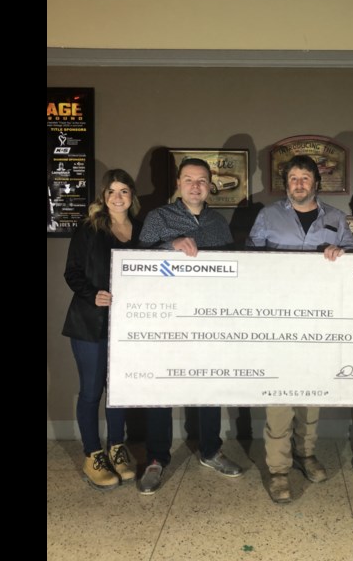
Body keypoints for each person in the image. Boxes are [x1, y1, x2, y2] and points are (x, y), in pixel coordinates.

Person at [247, 154, 353, 503]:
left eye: (305, 178)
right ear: (286, 183)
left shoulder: (337, 218)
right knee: (280, 397)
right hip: (278, 319)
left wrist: (341, 253)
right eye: (293, 178)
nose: (299, 184)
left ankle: (305, 453)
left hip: (320, 319)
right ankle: (279, 470)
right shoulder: (268, 215)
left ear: (315, 183)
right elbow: (249, 259)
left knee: (312, 393)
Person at [137, 158, 243, 494]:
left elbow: (232, 270)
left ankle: (210, 450)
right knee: (161, 389)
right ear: (179, 184)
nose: (195, 186)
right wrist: (170, 246)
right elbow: (135, 263)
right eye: (189, 179)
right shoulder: (159, 218)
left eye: (202, 180)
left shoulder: (218, 221)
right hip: (165, 318)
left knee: (207, 385)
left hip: (208, 319)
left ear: (210, 185)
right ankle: (156, 459)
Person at [61, 169, 142, 489]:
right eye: (112, 191)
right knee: (92, 391)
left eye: (124, 191)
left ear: (131, 196)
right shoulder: (89, 228)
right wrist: (92, 294)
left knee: (119, 390)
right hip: (89, 322)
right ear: (103, 196)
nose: (118, 197)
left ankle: (117, 448)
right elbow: (72, 272)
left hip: (127, 323)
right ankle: (93, 453)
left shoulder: (141, 229)